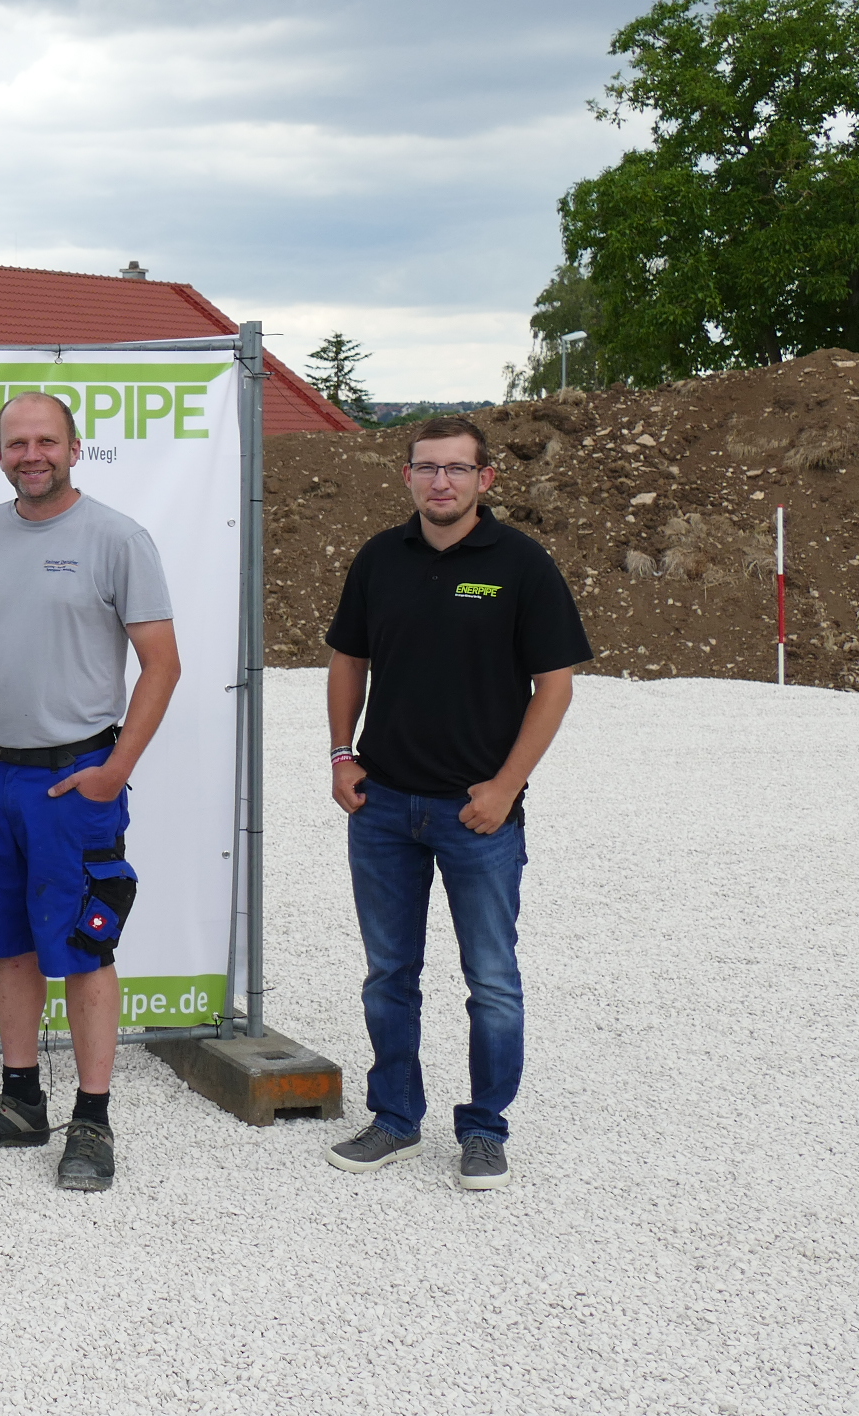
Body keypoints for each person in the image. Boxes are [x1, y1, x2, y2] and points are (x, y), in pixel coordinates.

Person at [0, 390, 180, 1193]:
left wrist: (117, 768)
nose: (30, 455)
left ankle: (92, 1120)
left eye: (45, 441)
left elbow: (163, 664)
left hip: (74, 782)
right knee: (10, 944)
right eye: (15, 443)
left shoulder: (117, 538)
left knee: (84, 949)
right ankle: (20, 1103)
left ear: (76, 448)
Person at [324, 415, 588, 1192]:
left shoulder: (522, 565)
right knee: (389, 974)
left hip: (479, 817)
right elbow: (347, 661)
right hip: (382, 808)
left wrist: (506, 788)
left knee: (492, 982)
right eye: (427, 467)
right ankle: (395, 1119)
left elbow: (555, 686)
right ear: (407, 476)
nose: (441, 481)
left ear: (485, 479)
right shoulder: (380, 558)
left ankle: (484, 1129)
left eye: (457, 469)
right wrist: (341, 755)